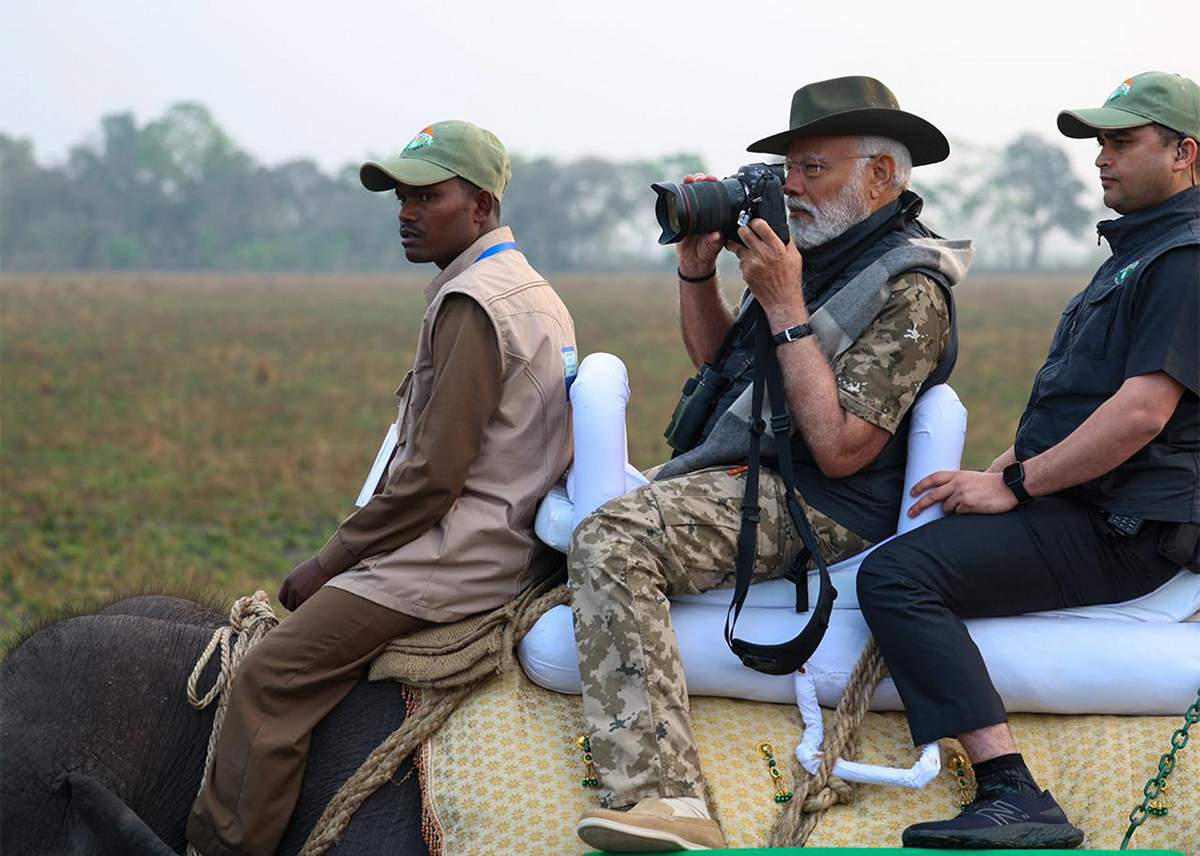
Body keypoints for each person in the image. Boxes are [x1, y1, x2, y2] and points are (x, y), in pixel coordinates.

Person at [569, 76, 972, 852]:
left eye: (811, 167)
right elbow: (723, 366)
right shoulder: (812, 254)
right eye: (788, 166)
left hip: (822, 500)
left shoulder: (910, 287)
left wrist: (786, 307)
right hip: (751, 473)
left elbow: (843, 448)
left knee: (612, 539)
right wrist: (697, 270)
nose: (790, 184)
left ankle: (668, 803)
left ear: (880, 175)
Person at [187, 120, 577, 856]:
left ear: (482, 206)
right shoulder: (528, 290)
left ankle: (223, 848)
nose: (406, 212)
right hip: (499, 539)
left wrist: (329, 561)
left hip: (455, 555)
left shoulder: (474, 302)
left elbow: (431, 481)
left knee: (271, 674)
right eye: (401, 197)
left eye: (427, 196)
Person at [857, 70, 1200, 850]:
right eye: (1099, 143)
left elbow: (1142, 413)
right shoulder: (1138, 254)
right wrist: (991, 474)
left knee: (898, 576)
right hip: (1087, 502)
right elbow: (1079, 404)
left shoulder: (1185, 259)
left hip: (1128, 526)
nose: (1101, 158)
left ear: (1183, 153)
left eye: (1122, 141)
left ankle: (1011, 792)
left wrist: (1015, 484)